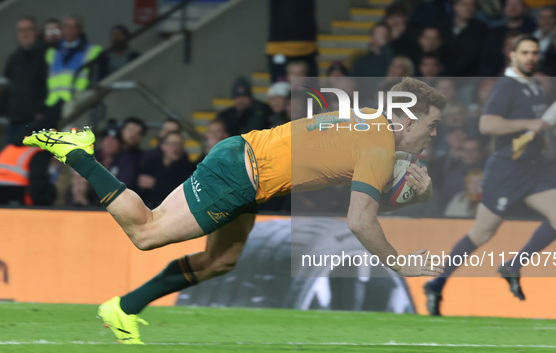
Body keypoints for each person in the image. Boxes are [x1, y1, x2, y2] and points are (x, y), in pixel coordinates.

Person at [24, 77, 446, 344]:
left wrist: (415, 195)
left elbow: (364, 200)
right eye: (431, 126)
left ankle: (123, 309)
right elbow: (359, 219)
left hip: (248, 170)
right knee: (146, 232)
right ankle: (78, 153)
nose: (433, 134)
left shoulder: (371, 122)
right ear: (407, 122)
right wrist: (402, 264)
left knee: (220, 261)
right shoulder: (378, 144)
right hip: (239, 174)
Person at [424, 34, 556, 316]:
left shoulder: (536, 86)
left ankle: (514, 265)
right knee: (482, 233)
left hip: (533, 167)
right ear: (512, 56)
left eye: (534, 53)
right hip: (506, 170)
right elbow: (487, 124)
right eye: (525, 53)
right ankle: (437, 282)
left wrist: (540, 138)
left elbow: (529, 129)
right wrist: (529, 124)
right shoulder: (506, 87)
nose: (530, 57)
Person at [44, 14, 102, 125]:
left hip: (76, 104)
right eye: (66, 26)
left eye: (73, 27)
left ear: (80, 30)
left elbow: (96, 80)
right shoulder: (52, 52)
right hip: (52, 105)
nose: (69, 30)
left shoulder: (92, 51)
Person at [2, 16, 48, 144]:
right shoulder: (14, 58)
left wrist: (41, 111)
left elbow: (50, 86)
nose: (25, 34)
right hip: (14, 121)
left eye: (29, 29)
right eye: (21, 30)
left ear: (36, 31)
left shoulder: (46, 55)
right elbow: (6, 87)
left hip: (35, 121)